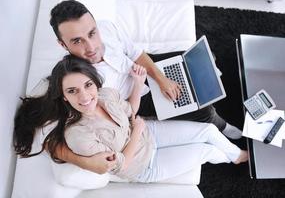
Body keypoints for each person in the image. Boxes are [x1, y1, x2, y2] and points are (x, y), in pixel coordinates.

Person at [14, 55, 248, 183]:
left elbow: (130, 110)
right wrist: (136, 131)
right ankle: (240, 158)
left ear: (95, 83)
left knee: (207, 131)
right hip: (144, 165)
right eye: (73, 91)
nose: (85, 97)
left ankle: (236, 154)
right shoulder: (77, 135)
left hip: (150, 133)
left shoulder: (105, 96)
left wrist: (137, 84)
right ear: (64, 97)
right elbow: (121, 164)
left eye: (87, 85)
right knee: (204, 151)